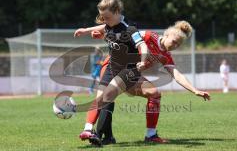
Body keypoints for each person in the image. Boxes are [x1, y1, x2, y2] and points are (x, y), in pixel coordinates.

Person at [75, 19, 211, 146]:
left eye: (178, 44)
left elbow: (177, 75)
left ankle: (150, 135)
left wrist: (195, 90)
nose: (175, 46)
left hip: (130, 74)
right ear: (167, 34)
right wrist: (103, 34)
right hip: (112, 65)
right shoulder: (148, 36)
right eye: (174, 41)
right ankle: (93, 131)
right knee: (104, 98)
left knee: (154, 94)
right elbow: (125, 35)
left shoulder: (165, 56)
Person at [74, 0, 161, 145]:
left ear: (116, 12)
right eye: (102, 17)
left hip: (128, 71)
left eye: (106, 17)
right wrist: (86, 30)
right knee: (101, 98)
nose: (104, 20)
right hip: (112, 68)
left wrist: (142, 60)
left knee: (106, 96)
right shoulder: (109, 24)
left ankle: (150, 134)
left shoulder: (129, 28)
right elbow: (104, 28)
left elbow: (142, 46)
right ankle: (89, 130)